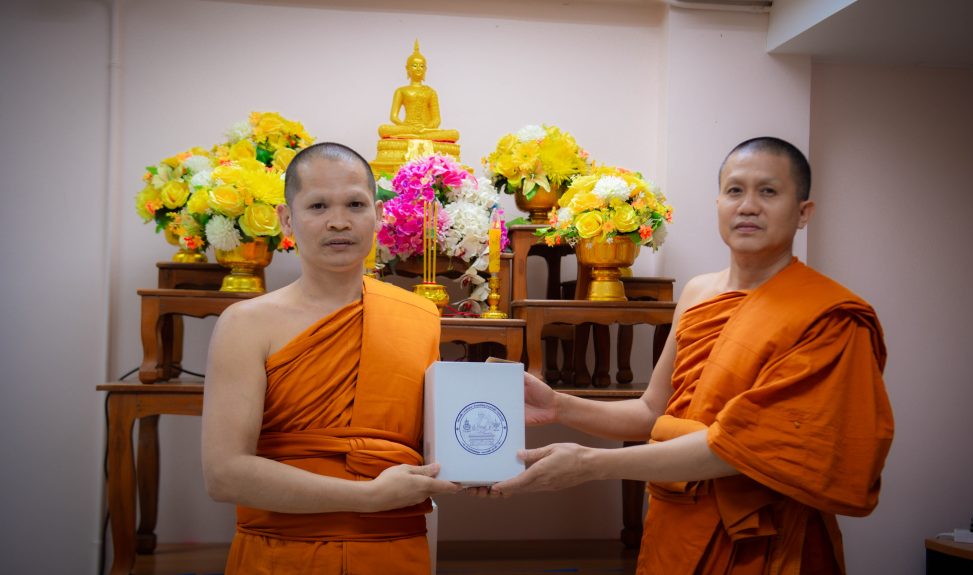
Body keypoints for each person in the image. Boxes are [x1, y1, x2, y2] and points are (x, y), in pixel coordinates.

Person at [486, 137, 894, 574]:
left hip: (766, 537)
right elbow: (651, 412)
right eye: (735, 191)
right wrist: (558, 405)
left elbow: (738, 449)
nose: (748, 206)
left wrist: (591, 464)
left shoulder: (828, 316)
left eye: (768, 191)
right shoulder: (699, 293)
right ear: (718, 203)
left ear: (803, 212)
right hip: (676, 524)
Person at [201, 142, 459, 574]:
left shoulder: (418, 317)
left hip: (393, 551)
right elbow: (224, 475)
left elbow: (427, 454)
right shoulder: (245, 325)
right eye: (318, 205)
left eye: (355, 204)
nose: (339, 221)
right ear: (287, 219)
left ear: (378, 214)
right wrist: (367, 498)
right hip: (280, 554)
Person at [378, 40, 460, 142]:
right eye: (414, 65)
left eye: (421, 66)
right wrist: (407, 127)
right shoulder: (401, 91)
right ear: (407, 68)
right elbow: (393, 117)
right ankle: (417, 136)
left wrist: (426, 128)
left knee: (454, 134)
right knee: (383, 129)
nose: (418, 69)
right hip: (407, 128)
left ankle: (416, 136)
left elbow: (437, 119)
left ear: (425, 69)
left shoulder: (431, 92)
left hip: (426, 130)